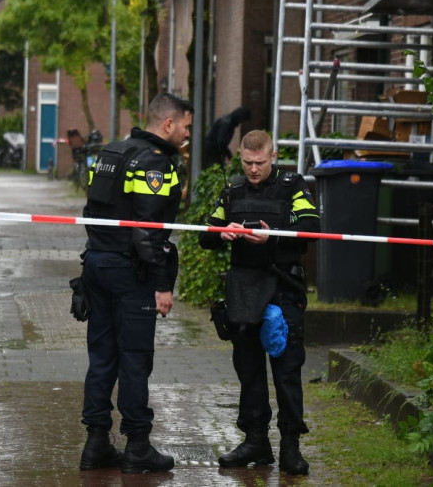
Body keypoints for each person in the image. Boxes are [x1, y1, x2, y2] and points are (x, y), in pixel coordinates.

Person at [78, 92, 194, 474]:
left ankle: (96, 444)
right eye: (186, 127)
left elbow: (92, 212)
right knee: (134, 360)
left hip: (97, 265)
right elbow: (148, 231)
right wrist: (162, 284)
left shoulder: (109, 154)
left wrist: (92, 265)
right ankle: (138, 447)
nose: (187, 135)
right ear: (168, 124)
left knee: (102, 358)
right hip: (131, 273)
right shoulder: (154, 164)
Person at [198, 129, 320, 476]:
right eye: (248, 163)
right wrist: (221, 233)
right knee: (249, 370)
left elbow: (312, 226)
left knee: (287, 371)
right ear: (241, 158)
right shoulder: (233, 191)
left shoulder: (293, 186)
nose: (254, 169)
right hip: (244, 290)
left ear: (273, 156)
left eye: (260, 162)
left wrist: (274, 235)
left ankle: (291, 446)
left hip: (283, 289)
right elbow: (207, 235)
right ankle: (255, 441)